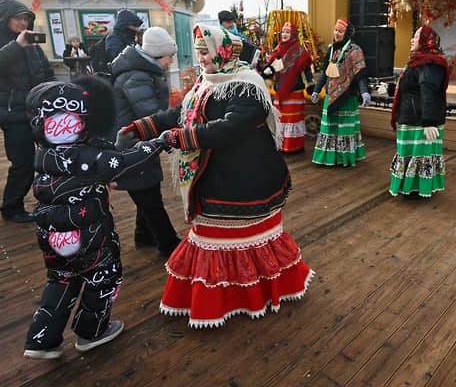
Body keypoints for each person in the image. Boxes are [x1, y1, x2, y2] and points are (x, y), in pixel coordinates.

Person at [117, 24, 313, 328]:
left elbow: (229, 128)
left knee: (231, 236)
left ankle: (245, 296)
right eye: (198, 51)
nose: (201, 57)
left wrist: (177, 138)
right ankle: (232, 296)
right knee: (211, 234)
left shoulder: (247, 85)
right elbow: (181, 113)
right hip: (216, 174)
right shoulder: (205, 82)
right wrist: (141, 127)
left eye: (205, 50)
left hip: (245, 179)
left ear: (224, 50)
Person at [22, 77, 170, 359]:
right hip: (87, 232)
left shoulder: (44, 152)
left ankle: (42, 340)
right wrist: (158, 143)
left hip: (50, 231)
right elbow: (125, 163)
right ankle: (93, 332)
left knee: (61, 278)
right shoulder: (89, 153)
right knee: (103, 278)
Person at [0, 0, 55, 223]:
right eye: (18, 18)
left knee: (51, 157)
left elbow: (45, 72)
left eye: (26, 18)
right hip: (12, 111)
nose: (23, 23)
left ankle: (51, 198)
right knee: (23, 162)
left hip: (39, 109)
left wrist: (57, 94)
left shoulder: (32, 42)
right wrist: (16, 45)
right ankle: (11, 207)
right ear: (4, 18)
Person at [110, 26, 181, 257]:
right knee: (149, 196)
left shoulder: (141, 72)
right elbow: (150, 114)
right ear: (157, 55)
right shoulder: (137, 76)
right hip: (132, 146)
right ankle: (168, 244)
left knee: (146, 189)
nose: (171, 62)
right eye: (170, 56)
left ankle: (144, 235)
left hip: (137, 143)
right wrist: (174, 137)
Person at [389, 25, 449, 199]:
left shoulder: (430, 63)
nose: (412, 40)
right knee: (411, 155)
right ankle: (411, 187)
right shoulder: (419, 61)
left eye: (416, 36)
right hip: (411, 116)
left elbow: (428, 90)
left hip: (420, 120)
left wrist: (429, 121)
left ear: (425, 40)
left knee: (418, 156)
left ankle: (415, 189)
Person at [310, 18, 370, 166]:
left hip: (347, 97)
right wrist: (317, 90)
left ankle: (344, 158)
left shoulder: (355, 51)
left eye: (340, 31)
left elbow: (360, 73)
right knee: (330, 128)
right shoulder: (331, 49)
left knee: (344, 129)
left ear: (347, 33)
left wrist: (364, 92)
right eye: (336, 30)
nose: (337, 33)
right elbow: (325, 72)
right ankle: (329, 158)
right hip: (330, 96)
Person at [263, 22, 314, 153]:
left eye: (287, 32)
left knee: (293, 119)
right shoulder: (278, 49)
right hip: (280, 90)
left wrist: (311, 83)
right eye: (283, 32)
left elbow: (306, 69)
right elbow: (271, 66)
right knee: (281, 119)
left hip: (294, 90)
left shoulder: (300, 50)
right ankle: (281, 145)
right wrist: (268, 70)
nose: (284, 35)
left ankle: (294, 146)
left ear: (293, 35)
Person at [91, 10, 142, 76]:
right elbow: (116, 58)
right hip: (117, 77)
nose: (136, 29)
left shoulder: (128, 38)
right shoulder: (113, 38)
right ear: (125, 24)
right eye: (134, 26)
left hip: (126, 74)